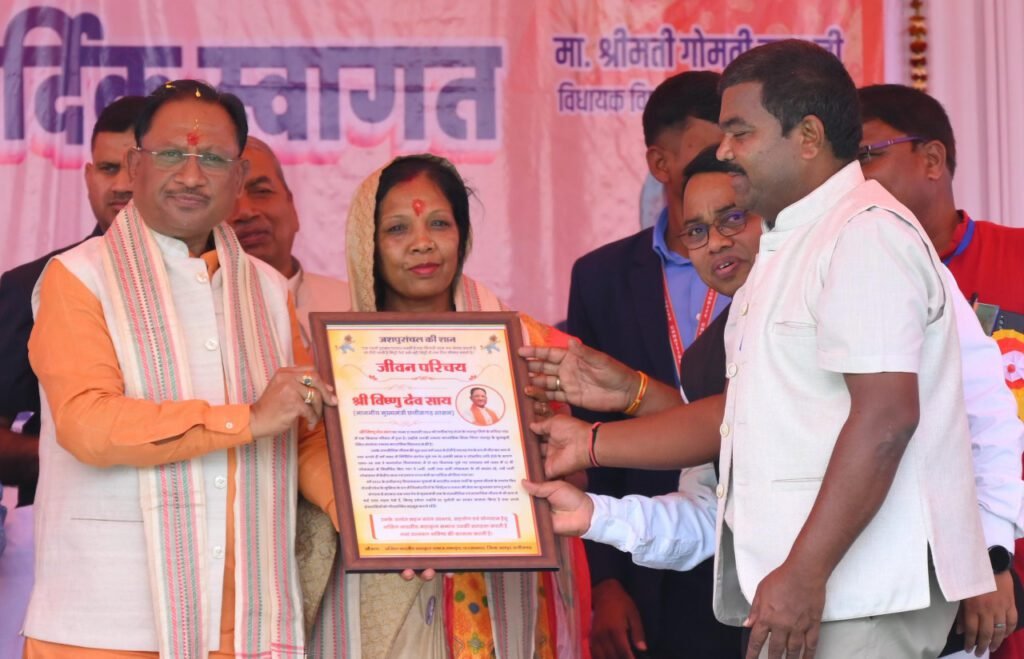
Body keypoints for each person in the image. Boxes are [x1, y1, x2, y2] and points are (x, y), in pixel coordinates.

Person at [533, 40, 995, 658]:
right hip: (826, 595)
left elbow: (886, 419)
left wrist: (804, 573)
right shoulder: (791, 247)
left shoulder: (863, 234)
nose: (724, 150)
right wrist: (592, 454)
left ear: (807, 136)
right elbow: (738, 424)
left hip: (866, 592)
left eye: (740, 131)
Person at [23, 79, 338, 658]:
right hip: (108, 624)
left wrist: (369, 519)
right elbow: (88, 425)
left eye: (213, 159)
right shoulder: (79, 276)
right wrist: (245, 420)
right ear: (134, 166)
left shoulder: (269, 290)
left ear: (237, 179)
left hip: (244, 621)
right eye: (171, 154)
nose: (191, 176)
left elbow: (302, 431)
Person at [304, 153, 590, 659]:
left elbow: (579, 470)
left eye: (439, 223)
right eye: (398, 228)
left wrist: (536, 450)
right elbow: (304, 471)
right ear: (367, 242)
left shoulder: (525, 345)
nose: (423, 243)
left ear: (463, 236)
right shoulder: (337, 359)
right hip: (384, 593)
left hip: (503, 596)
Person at [567, 70, 740, 659]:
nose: (728, 159)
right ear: (660, 164)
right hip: (649, 559)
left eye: (737, 143)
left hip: (766, 559)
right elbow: (592, 432)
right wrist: (607, 581)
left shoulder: (775, 263)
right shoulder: (601, 277)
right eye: (712, 147)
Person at [858, 82, 1024, 659]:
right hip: (912, 573)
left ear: (931, 159)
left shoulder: (1017, 257)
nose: (850, 179)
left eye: (865, 155)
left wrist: (993, 554)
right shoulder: (849, 279)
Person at [0, 95, 145, 507]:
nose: (121, 185)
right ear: (88, 177)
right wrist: (86, 458)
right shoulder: (31, 284)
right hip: (66, 525)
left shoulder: (217, 279)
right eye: (108, 168)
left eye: (136, 169)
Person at [227, 136, 350, 348]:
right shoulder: (195, 317)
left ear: (292, 206)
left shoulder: (351, 306)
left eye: (262, 192)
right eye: (227, 197)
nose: (246, 211)